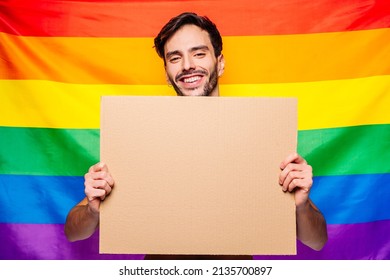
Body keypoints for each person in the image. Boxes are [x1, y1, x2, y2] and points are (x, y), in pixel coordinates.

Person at [64, 12, 328, 260]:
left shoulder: (258, 135)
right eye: (175, 58)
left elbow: (317, 241)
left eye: (199, 54)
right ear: (167, 73)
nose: (188, 66)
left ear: (220, 63)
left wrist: (302, 203)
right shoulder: (144, 136)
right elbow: (74, 232)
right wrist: (92, 208)